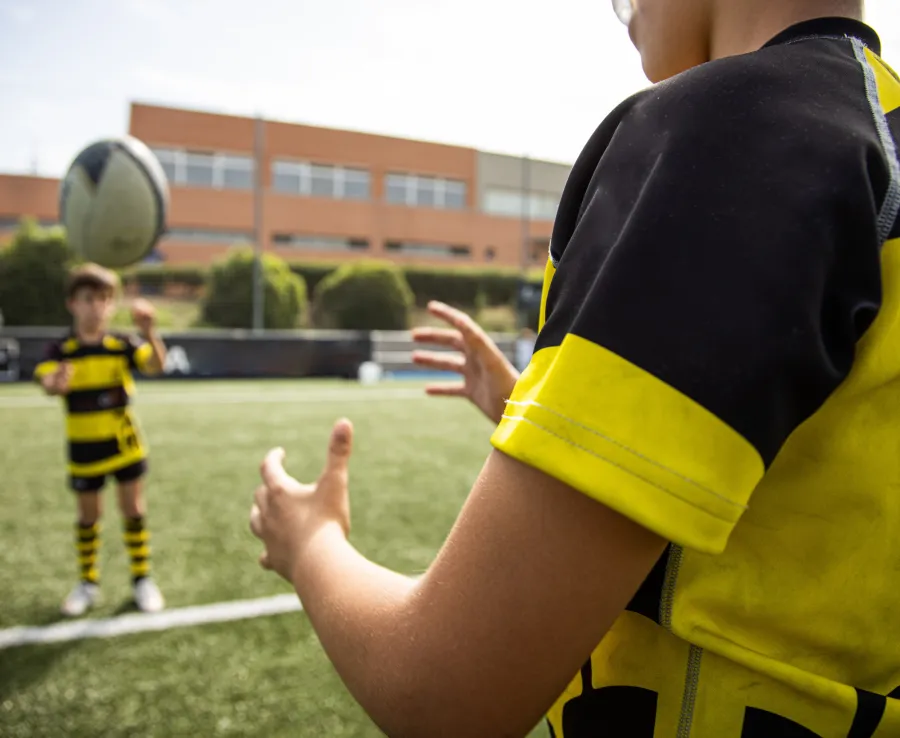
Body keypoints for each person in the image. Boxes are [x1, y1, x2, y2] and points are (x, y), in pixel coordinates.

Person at [249, 1, 900, 735]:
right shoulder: (876, 130)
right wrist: (540, 410)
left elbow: (447, 693)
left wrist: (309, 542)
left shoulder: (736, 127)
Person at [35, 264, 167, 617]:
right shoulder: (61, 350)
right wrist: (56, 383)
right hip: (84, 450)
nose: (96, 306)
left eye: (104, 299)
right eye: (88, 299)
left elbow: (155, 365)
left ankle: (142, 579)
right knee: (88, 517)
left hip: (125, 446)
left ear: (112, 305)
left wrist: (151, 332)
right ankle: (88, 583)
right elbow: (47, 383)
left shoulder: (122, 343)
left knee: (133, 510)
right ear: (72, 304)